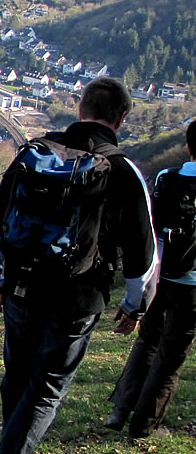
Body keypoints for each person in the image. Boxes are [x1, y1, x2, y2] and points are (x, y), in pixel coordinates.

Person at [0, 76, 159, 454]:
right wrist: (134, 306)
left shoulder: (35, 153)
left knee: (18, 380)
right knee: (45, 390)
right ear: (121, 119)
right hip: (77, 298)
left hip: (21, 287)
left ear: (80, 109)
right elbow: (144, 254)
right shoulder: (123, 171)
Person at [105, 121, 196, 438]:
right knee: (171, 356)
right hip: (193, 286)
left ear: (188, 147)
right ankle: (143, 426)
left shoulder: (167, 178)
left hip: (161, 276)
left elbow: (154, 228)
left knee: (147, 342)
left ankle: (119, 411)